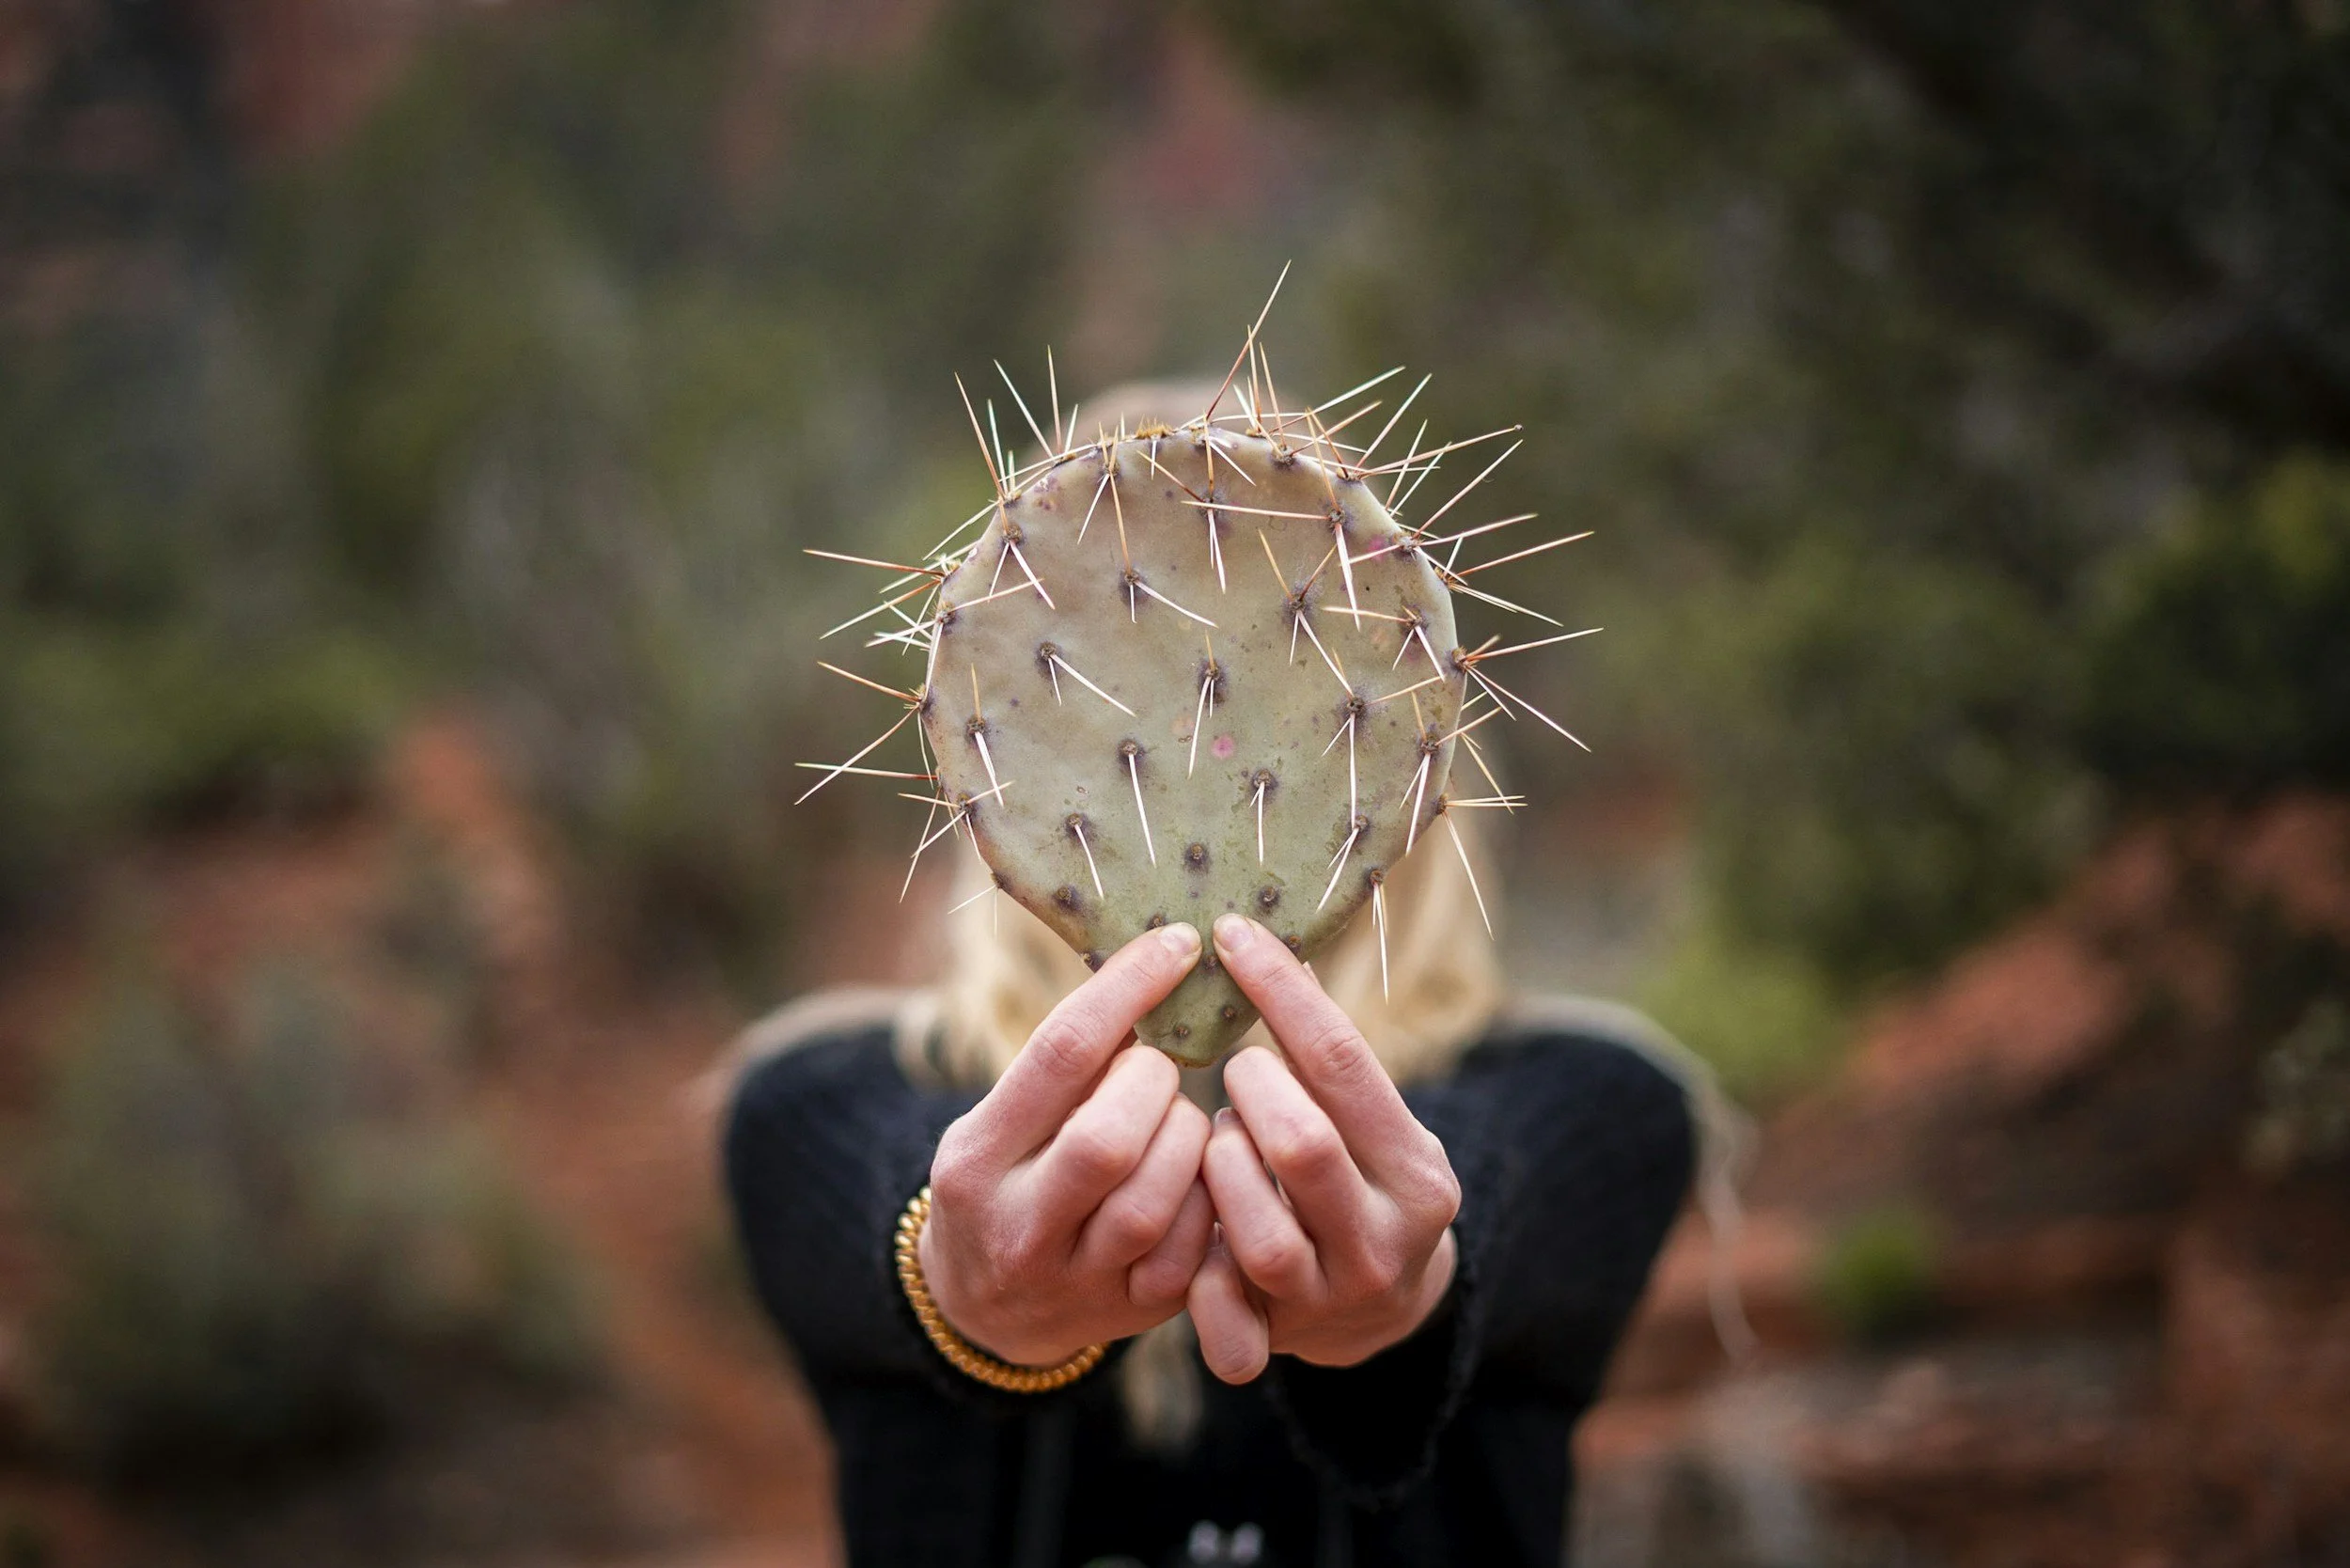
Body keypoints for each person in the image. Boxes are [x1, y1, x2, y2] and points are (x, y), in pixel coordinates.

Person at [722, 804, 1707, 1568]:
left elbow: (1498, 1172)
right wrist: (946, 1259)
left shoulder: (1597, 1101)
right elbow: (881, 1175)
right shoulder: (812, 1101)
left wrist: (1427, 1260)